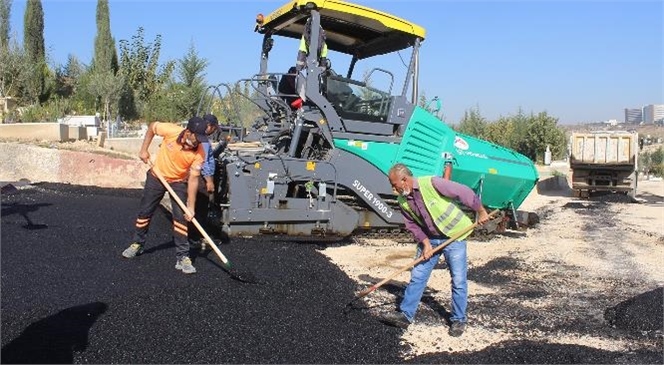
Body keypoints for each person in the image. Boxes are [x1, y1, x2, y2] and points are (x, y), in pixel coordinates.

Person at [380, 163, 490, 337]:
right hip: (430, 239)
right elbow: (412, 225)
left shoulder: (432, 183)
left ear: (405, 180)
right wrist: (425, 243)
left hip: (454, 237)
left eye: (395, 184)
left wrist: (481, 211)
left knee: (458, 280)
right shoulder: (402, 200)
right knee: (418, 276)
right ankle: (405, 315)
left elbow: (464, 192)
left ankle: (458, 320)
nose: (394, 188)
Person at [121, 117, 208, 274]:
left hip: (179, 181)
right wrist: (144, 149)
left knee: (181, 218)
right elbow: (152, 127)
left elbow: (194, 179)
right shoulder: (171, 131)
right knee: (145, 212)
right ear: (188, 132)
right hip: (157, 176)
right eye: (196, 137)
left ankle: (182, 257)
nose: (198, 143)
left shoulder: (200, 152)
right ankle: (137, 244)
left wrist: (191, 206)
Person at [188, 113, 219, 250]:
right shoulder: (204, 142)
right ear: (210, 126)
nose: (214, 131)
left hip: (193, 175)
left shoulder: (199, 138)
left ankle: (193, 235)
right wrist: (209, 181)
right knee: (200, 207)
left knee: (194, 205)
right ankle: (196, 237)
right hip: (200, 178)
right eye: (214, 128)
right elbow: (205, 162)